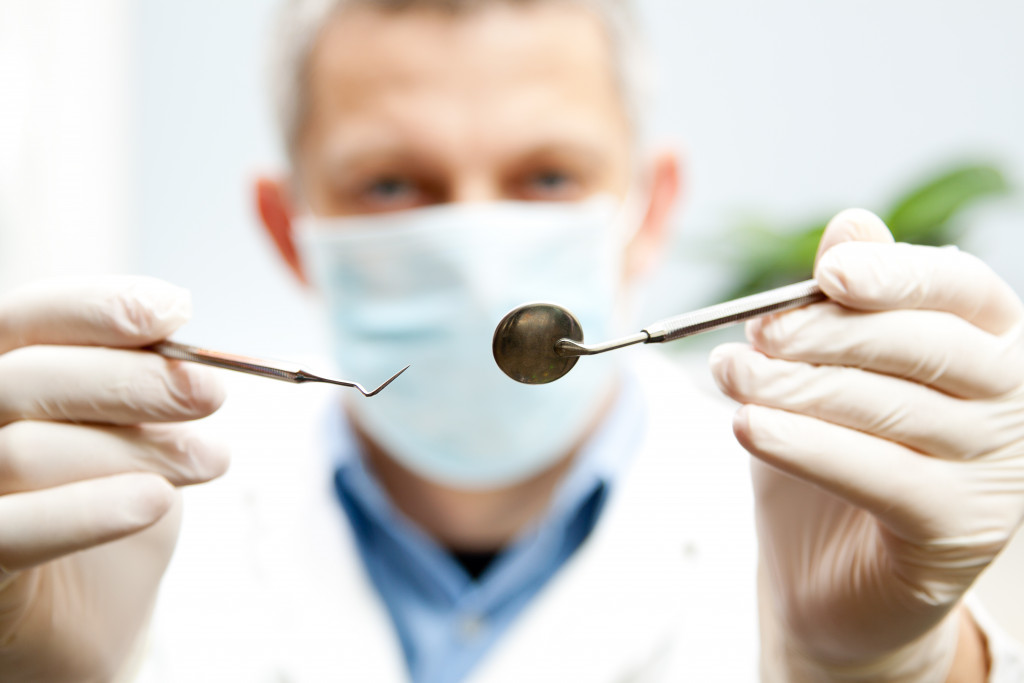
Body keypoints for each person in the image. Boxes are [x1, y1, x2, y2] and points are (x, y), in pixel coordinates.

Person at [0, 0, 1022, 681]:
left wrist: (900, 667)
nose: (483, 262)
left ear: (651, 208)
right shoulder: (120, 537)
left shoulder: (839, 514)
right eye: (393, 184)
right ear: (287, 228)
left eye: (545, 177)